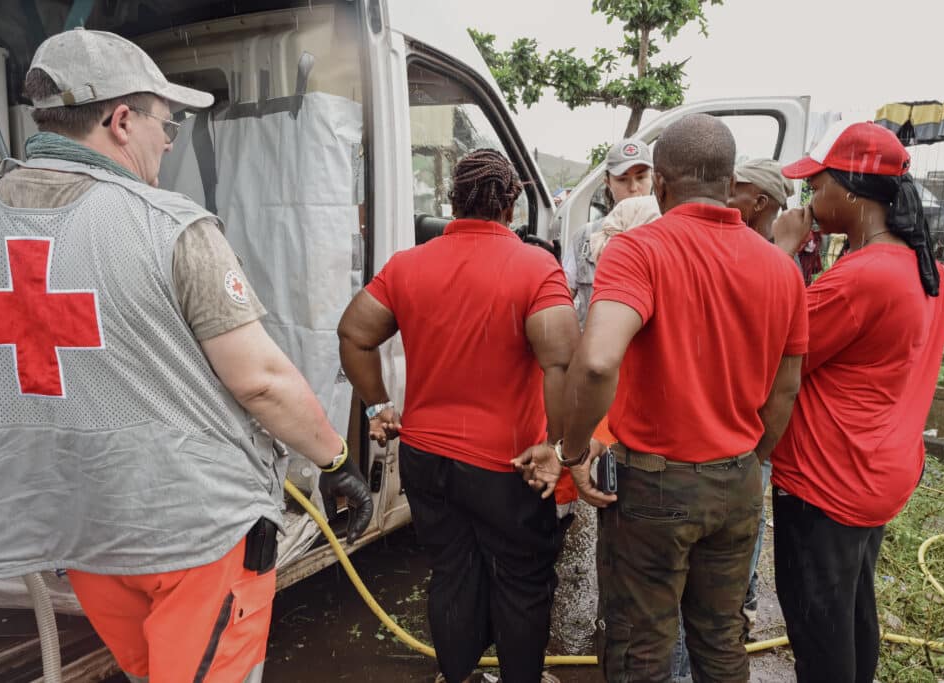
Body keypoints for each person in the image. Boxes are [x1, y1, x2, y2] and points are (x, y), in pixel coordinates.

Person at [0, 29, 373, 683]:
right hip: (193, 535)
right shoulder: (171, 225)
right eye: (165, 126)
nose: (169, 143)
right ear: (119, 121)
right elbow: (261, 382)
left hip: (79, 537)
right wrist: (335, 459)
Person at [554, 114, 808, 683]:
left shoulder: (637, 251)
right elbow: (785, 388)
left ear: (661, 185)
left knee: (641, 645)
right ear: (727, 182)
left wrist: (574, 450)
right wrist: (750, 458)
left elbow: (596, 360)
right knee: (720, 640)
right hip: (739, 479)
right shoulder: (781, 268)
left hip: (654, 485)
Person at [337, 148, 579, 683]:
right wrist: (558, 448)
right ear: (511, 203)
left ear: (452, 200)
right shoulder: (536, 266)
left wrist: (379, 406)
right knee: (521, 581)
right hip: (507, 465)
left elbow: (353, 334)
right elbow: (562, 362)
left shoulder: (407, 265)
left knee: (451, 572)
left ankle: (459, 675)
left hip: (425, 459)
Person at [770, 122, 944, 683]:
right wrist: (907, 351)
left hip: (827, 479)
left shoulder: (860, 279)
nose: (811, 200)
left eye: (819, 186)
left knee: (818, 633)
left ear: (853, 193)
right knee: (853, 611)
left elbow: (768, 350)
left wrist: (781, 251)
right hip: (880, 471)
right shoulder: (919, 265)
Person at [725, 157, 796, 636]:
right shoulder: (777, 260)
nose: (728, 195)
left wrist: (760, 453)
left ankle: (740, 606)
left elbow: (786, 374)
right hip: (747, 436)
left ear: (760, 201)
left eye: (737, 189)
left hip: (748, 435)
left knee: (738, 545)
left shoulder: (777, 263)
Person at [562, 138, 653, 326]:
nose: (634, 188)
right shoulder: (585, 237)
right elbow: (561, 299)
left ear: (655, 178)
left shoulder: (669, 232)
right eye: (622, 179)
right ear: (608, 183)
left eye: (641, 177)